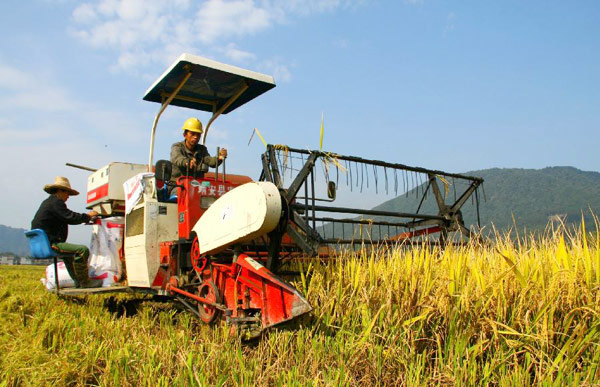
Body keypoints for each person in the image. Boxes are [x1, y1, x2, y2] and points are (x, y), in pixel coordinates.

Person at [31, 176, 102, 288]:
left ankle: (78, 282)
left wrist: (83, 218)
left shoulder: (49, 203)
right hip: (51, 243)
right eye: (67, 193)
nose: (68, 196)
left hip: (44, 243)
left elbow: (67, 217)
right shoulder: (56, 202)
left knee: (69, 256)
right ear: (60, 191)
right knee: (82, 250)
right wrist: (87, 216)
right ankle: (85, 282)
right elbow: (70, 216)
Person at [169, 117, 227, 192]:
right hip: (178, 185)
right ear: (184, 135)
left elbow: (211, 162)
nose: (195, 137)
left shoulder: (202, 150)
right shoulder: (177, 147)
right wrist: (187, 162)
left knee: (213, 190)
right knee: (186, 191)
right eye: (192, 134)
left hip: (196, 186)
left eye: (198, 134)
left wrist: (219, 157)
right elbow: (177, 158)